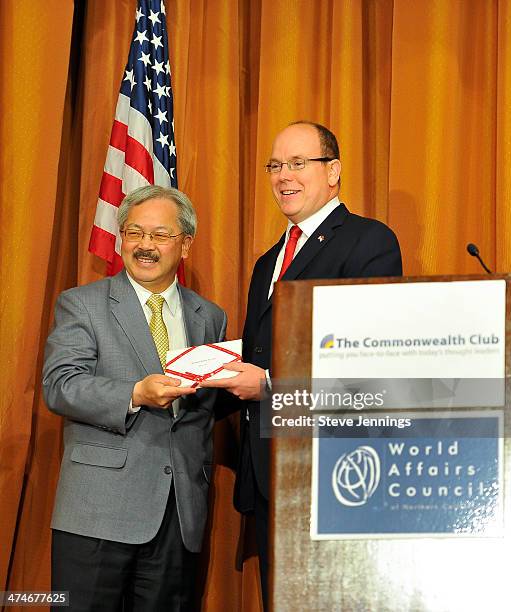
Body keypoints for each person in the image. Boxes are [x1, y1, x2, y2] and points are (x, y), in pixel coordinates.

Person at [201, 121, 402, 607]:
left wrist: (269, 384)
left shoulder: (368, 241)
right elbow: (257, 352)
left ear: (333, 171)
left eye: (297, 163)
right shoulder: (268, 260)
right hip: (268, 474)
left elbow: (371, 356)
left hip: (335, 473)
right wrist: (195, 382)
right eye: (275, 165)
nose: (283, 176)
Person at [43, 185, 226, 611]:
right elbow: (60, 385)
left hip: (178, 517)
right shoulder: (82, 304)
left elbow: (205, 410)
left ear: (186, 244)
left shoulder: (210, 317)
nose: (145, 245)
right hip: (97, 512)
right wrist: (134, 392)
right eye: (134, 232)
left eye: (161, 235)